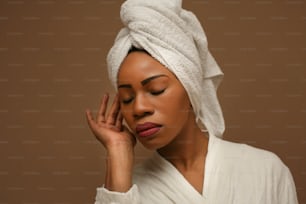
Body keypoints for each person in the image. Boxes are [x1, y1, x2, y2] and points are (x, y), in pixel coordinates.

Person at [86, 0, 299, 203]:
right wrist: (118, 153)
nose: (139, 108)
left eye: (156, 90)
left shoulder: (265, 170)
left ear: (191, 88)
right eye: (127, 98)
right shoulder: (124, 189)